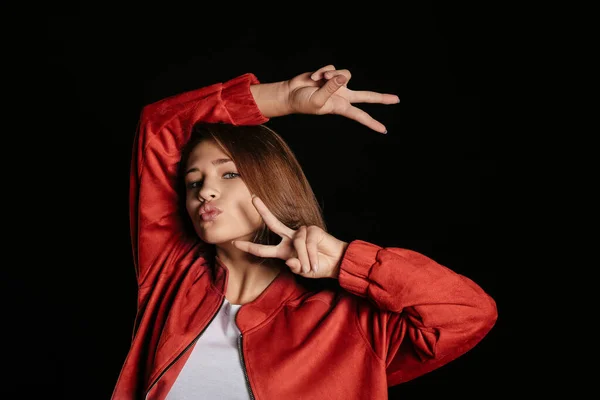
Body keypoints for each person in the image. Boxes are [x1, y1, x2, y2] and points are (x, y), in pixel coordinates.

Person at [111, 64, 497, 399]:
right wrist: (283, 97)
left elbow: (467, 314)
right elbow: (158, 125)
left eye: (229, 173)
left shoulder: (345, 328)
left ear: (271, 184)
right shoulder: (172, 278)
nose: (205, 190)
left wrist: (349, 261)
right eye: (194, 181)